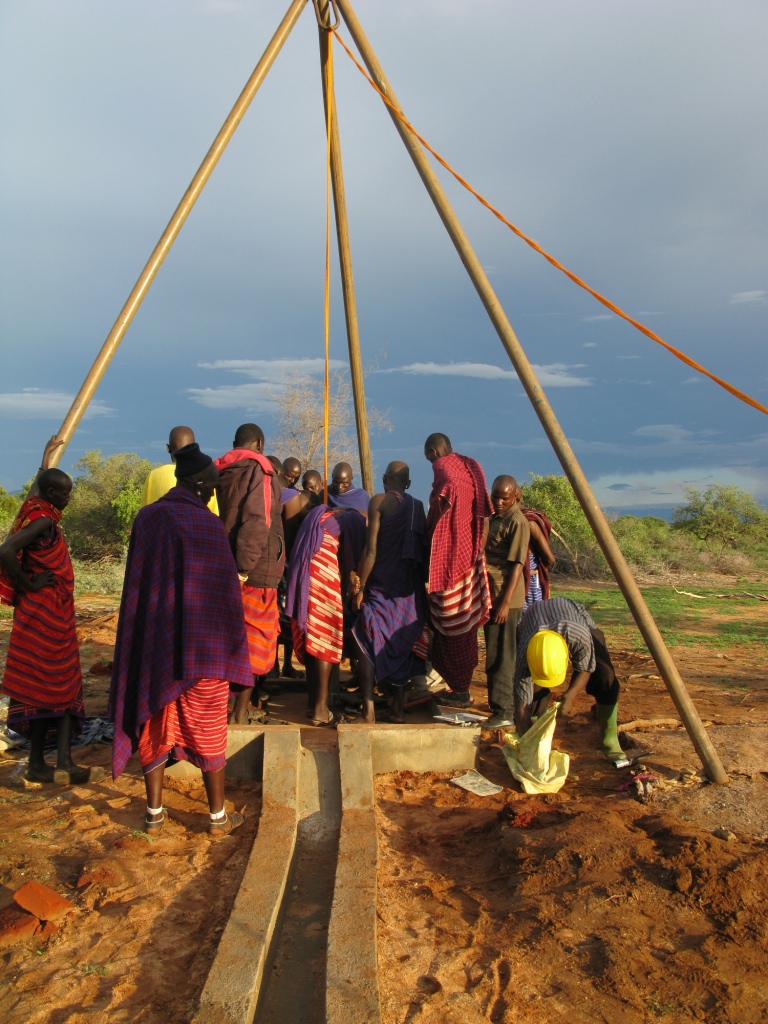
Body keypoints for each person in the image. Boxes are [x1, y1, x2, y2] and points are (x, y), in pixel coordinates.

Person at [109, 443, 253, 835]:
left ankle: (154, 813)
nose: (212, 494)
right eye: (211, 487)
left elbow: (137, 585)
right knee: (208, 730)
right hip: (204, 654)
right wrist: (233, 652)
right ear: (200, 484)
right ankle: (217, 817)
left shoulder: (148, 518)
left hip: (158, 650)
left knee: (155, 726)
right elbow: (225, 598)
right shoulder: (209, 525)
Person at [1, 438, 103, 785]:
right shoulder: (41, 521)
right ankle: (58, 762)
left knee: (44, 688)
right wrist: (28, 584)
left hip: (45, 613)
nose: (67, 498)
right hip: (45, 614)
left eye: (69, 492)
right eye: (61, 493)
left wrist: (45, 459)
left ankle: (46, 763)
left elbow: (37, 485)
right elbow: (6, 550)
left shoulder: (34, 507)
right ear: (49, 494)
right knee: (60, 685)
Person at [215, 424, 285, 724]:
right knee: (253, 645)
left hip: (224, 562)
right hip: (254, 570)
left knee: (230, 639)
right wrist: (244, 568)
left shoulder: (220, 470)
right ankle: (239, 713)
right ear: (260, 442)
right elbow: (257, 520)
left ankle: (225, 709)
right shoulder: (261, 471)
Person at [351, 462, 428, 724]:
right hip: (408, 591)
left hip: (381, 585)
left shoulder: (379, 501)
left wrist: (361, 586)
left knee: (366, 635)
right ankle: (396, 709)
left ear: (384, 479)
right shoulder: (418, 507)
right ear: (407, 483)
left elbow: (370, 550)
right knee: (402, 642)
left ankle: (368, 711)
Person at [423, 433, 493, 706]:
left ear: (433, 451)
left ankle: (461, 691)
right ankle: (458, 687)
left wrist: (434, 529)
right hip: (471, 554)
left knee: (451, 623)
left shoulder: (443, 467)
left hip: (450, 558)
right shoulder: (472, 465)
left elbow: (445, 494)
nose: (430, 463)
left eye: (429, 457)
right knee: (464, 625)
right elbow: (483, 511)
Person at [513, 596, 623, 763]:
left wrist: (570, 696)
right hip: (533, 619)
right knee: (533, 695)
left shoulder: (580, 637)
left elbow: (585, 668)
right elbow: (522, 700)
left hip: (572, 616)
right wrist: (527, 744)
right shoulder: (526, 652)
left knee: (605, 676)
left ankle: (609, 738)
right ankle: (535, 735)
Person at [285, 504, 365, 726]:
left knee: (312, 633)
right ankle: (321, 710)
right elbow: (351, 565)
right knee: (326, 636)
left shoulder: (321, 517)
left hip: (303, 573)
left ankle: (313, 703)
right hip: (322, 572)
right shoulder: (353, 521)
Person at [482, 475, 530, 729]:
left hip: (505, 599)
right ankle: (498, 708)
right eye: (495, 497)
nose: (499, 502)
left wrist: (504, 603)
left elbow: (517, 566)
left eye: (504, 498)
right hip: (492, 593)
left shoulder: (518, 522)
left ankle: (504, 712)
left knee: (503, 655)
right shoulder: (495, 519)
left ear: (515, 498)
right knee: (493, 653)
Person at [141, 425, 218, 513]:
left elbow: (143, 511)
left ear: (168, 448)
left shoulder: (153, 475)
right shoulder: (203, 477)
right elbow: (214, 514)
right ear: (194, 449)